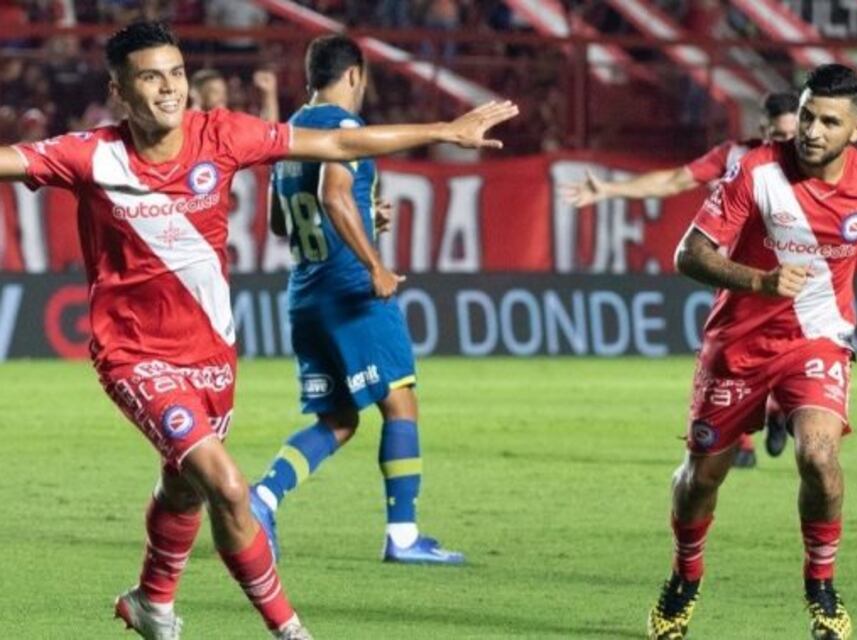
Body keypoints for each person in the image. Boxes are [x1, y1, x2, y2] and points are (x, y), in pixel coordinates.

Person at [0, 21, 516, 640]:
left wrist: (445, 130)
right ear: (118, 91)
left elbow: (337, 145)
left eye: (176, 73)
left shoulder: (221, 134)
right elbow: (9, 160)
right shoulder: (91, 154)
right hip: (133, 355)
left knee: (184, 488)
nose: (169, 88)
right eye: (150, 77)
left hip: (211, 353)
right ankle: (290, 630)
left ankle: (151, 602)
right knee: (226, 485)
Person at [646, 64, 857, 640]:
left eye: (829, 122)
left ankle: (821, 588)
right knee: (702, 478)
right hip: (737, 344)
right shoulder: (755, 171)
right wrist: (758, 282)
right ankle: (685, 578)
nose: (811, 131)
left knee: (819, 457)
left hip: (816, 339)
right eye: (807, 116)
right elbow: (690, 254)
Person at [248, 35, 463, 566]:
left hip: (306, 293)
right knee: (400, 402)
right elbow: (333, 195)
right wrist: (374, 264)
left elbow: (279, 221)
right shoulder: (345, 127)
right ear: (353, 75)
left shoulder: (290, 131)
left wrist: (366, 219)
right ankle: (404, 536)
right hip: (350, 290)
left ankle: (263, 497)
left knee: (340, 420)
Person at [562, 92, 801, 468]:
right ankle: (743, 440)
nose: (784, 142)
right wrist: (610, 190)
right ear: (763, 128)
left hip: (795, 278)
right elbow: (676, 180)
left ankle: (775, 408)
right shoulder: (735, 156)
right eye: (777, 135)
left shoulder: (815, 164)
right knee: (726, 359)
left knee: (791, 357)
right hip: (741, 278)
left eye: (791, 135)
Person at [190, 67, 279, 123]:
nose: (222, 97)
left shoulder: (228, 123)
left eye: (224, 92)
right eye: (214, 91)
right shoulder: (186, 123)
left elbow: (268, 132)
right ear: (195, 93)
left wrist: (269, 94)